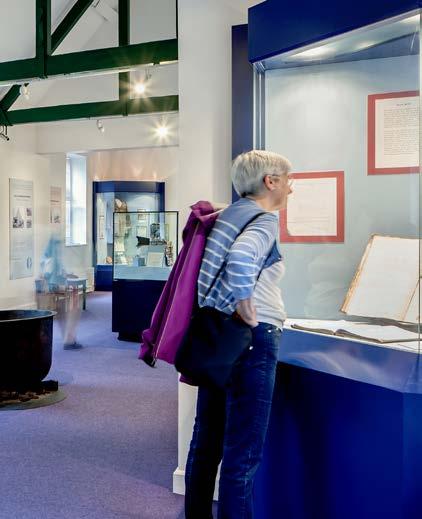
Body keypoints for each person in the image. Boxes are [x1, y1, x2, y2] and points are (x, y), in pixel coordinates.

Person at [184, 150, 293, 519]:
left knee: (206, 443)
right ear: (270, 181)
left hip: (219, 336)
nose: (291, 188)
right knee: (242, 457)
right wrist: (247, 305)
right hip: (253, 338)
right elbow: (243, 257)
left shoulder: (227, 216)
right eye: (288, 180)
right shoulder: (264, 220)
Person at [39, 234, 83, 350]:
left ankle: (68, 338)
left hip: (55, 283)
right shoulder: (54, 245)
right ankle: (69, 339)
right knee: (71, 308)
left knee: (63, 309)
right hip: (57, 284)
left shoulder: (52, 247)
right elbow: (54, 268)